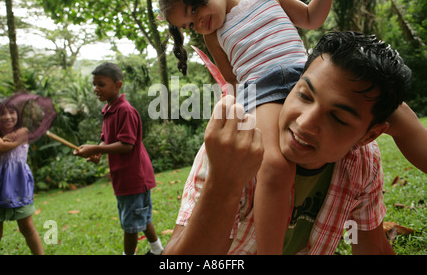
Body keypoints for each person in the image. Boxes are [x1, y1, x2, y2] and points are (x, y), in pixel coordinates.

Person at [163, 31, 414, 255]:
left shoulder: (363, 162)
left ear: (368, 136)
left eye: (337, 118)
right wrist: (223, 183)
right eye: (304, 95)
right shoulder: (233, 148)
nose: (304, 124)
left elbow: (370, 244)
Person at [158, 0, 345, 254]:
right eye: (190, 24)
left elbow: (312, 18)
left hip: (307, 78)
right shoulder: (215, 36)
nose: (199, 23)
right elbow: (232, 83)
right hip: (262, 93)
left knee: (391, 109)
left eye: (194, 10)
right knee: (275, 165)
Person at [73, 62, 163, 255]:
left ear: (118, 85)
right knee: (142, 215)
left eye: (101, 84)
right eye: (94, 84)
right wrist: (96, 154)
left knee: (130, 224)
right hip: (124, 176)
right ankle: (157, 250)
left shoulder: (125, 110)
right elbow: (107, 141)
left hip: (134, 176)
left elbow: (126, 145)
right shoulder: (109, 110)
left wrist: (95, 148)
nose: (96, 89)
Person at [0, 98, 44, 255]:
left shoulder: (22, 132)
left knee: (28, 229)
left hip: (18, 188)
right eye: (2, 113)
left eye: (12, 112)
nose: (7, 116)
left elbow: (1, 146)